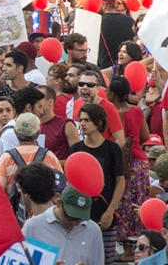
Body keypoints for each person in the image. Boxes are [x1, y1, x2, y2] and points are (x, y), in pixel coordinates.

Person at [69, 103, 128, 263]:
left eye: (87, 120)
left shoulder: (112, 149)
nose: (82, 124)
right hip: (80, 214)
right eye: (81, 120)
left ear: (99, 122)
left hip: (105, 214)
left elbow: (120, 181)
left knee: (105, 259)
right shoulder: (76, 149)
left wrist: (110, 210)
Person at [22, 187, 102, 265]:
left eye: (80, 219)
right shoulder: (33, 227)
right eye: (70, 217)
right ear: (58, 203)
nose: (74, 223)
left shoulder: (93, 231)